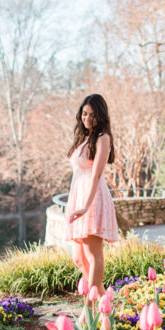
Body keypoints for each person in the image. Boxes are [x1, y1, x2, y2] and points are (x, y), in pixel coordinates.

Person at [64, 94, 119, 298]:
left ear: (100, 115)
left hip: (92, 198)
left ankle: (91, 305)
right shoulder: (84, 138)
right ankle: (104, 301)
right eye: (84, 114)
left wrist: (86, 206)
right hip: (78, 198)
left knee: (93, 254)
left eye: (92, 115)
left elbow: (96, 174)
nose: (87, 119)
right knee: (78, 258)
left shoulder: (103, 137)